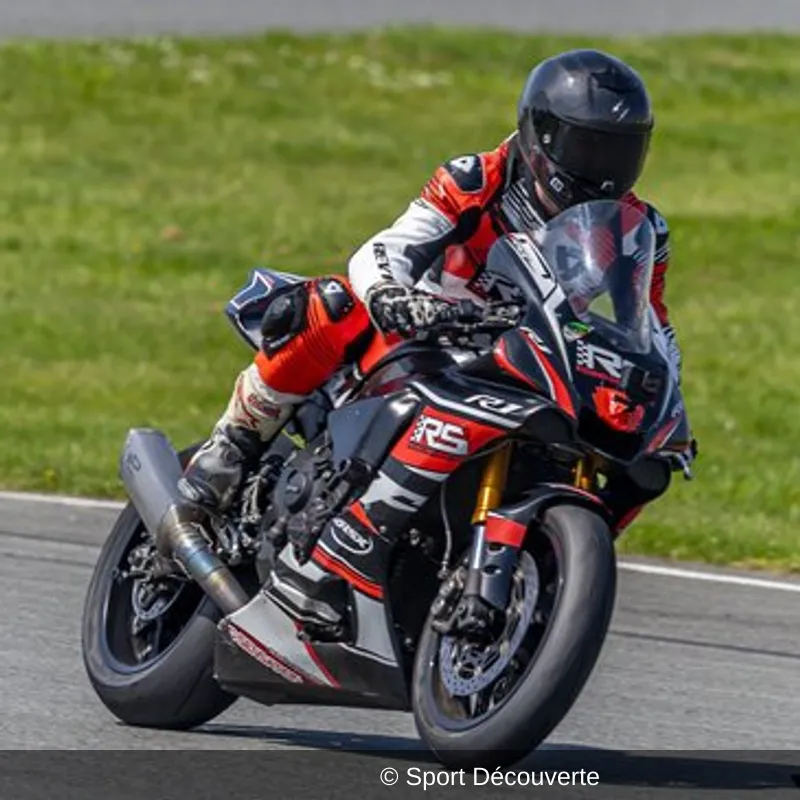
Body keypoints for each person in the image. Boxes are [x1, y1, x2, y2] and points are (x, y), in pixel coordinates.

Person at [177, 48, 689, 533]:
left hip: (530, 360)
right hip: (425, 338)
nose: (603, 171)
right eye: (589, 147)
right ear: (543, 137)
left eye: (620, 153)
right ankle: (229, 451)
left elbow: (652, 326)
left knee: (636, 455)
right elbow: (388, 249)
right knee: (331, 304)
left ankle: (553, 559)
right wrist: (392, 297)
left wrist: (668, 402)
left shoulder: (636, 229)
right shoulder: (478, 179)